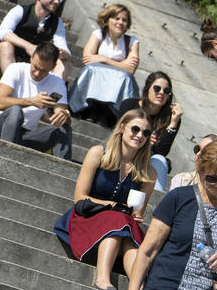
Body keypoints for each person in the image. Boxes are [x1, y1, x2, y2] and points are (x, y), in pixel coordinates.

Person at [54, 109, 156, 290]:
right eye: (135, 129)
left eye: (146, 133)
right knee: (119, 221)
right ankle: (102, 279)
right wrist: (113, 206)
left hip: (122, 226)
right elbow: (79, 198)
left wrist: (137, 216)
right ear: (122, 128)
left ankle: (137, 287)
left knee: (126, 228)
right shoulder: (98, 153)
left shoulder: (148, 173)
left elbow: (137, 213)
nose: (140, 135)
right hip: (88, 217)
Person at [128, 142, 217, 290]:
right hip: (165, 284)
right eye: (212, 178)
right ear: (201, 171)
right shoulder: (179, 197)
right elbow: (147, 252)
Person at [0, 42, 72, 159]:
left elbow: (61, 111)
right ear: (31, 57)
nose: (37, 73)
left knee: (64, 130)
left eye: (43, 70)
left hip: (25, 135)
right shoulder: (15, 69)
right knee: (15, 110)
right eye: (35, 67)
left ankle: (63, 172)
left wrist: (63, 116)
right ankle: (4, 157)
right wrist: (31, 101)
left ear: (53, 67)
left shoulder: (57, 83)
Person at [0, 0, 71, 82]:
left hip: (32, 67)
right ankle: (12, 85)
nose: (56, 1)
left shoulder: (57, 22)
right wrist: (28, 46)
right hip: (1, 63)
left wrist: (62, 53)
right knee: (5, 46)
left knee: (64, 63)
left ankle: (51, 95)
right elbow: (2, 32)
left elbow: (65, 50)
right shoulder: (20, 10)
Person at [68, 4, 141, 125]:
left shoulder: (132, 41)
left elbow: (130, 70)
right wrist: (120, 64)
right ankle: (87, 108)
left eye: (124, 20)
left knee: (125, 77)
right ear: (107, 20)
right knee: (91, 70)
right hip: (97, 78)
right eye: (116, 18)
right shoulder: (98, 34)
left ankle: (109, 113)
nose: (120, 22)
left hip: (117, 82)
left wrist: (104, 59)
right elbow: (88, 59)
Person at [117, 72, 183, 192]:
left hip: (149, 158)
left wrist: (173, 124)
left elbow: (161, 151)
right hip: (125, 152)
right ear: (147, 88)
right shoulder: (130, 105)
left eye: (166, 90)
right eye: (157, 88)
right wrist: (144, 137)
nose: (161, 93)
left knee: (160, 160)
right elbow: (118, 133)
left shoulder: (171, 117)